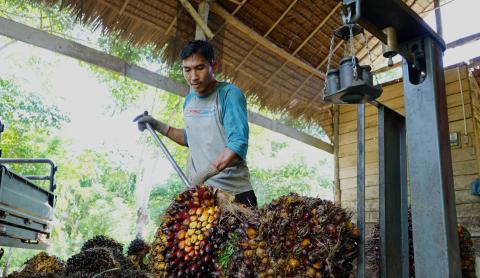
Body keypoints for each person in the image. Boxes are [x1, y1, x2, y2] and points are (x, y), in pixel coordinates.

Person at [134, 40, 257, 207]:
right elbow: (190, 138)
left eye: (200, 68)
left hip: (234, 195)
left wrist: (205, 173)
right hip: (202, 196)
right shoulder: (190, 101)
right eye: (187, 70)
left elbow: (237, 143)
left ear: (213, 65)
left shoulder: (229, 95)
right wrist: (157, 125)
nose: (193, 77)